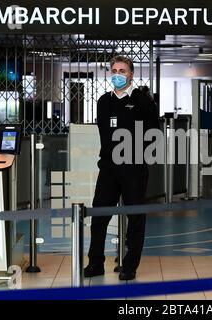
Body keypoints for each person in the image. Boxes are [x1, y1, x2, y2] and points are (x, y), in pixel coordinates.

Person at [84, 55, 159, 281]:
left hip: (134, 169)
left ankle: (129, 266)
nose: (118, 74)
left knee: (135, 218)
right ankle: (96, 263)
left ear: (131, 74)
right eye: (114, 70)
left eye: (122, 71)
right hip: (108, 168)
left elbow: (153, 134)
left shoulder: (143, 101)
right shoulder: (103, 101)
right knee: (99, 216)